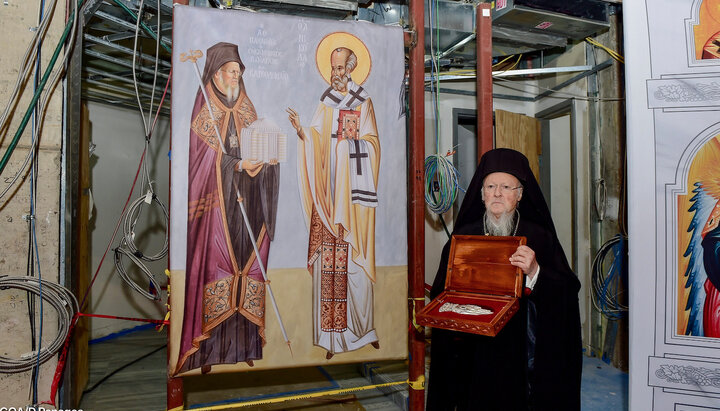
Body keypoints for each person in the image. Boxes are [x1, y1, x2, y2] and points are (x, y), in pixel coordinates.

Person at [427, 148, 582, 410]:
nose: (497, 193)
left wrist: (535, 273)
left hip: (520, 352)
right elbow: (441, 289)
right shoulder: (463, 236)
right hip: (474, 351)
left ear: (519, 195)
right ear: (481, 193)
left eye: (506, 187)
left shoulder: (539, 236)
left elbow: (567, 289)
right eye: (490, 186)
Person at [176, 42, 279, 374]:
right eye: (232, 72)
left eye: (239, 72)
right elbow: (201, 163)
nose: (236, 77)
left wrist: (267, 164)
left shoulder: (246, 108)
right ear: (217, 74)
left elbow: (258, 147)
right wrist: (234, 165)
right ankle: (208, 352)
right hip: (218, 209)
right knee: (219, 268)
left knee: (246, 270)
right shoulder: (204, 108)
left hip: (247, 205)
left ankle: (245, 347)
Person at [287, 40, 380, 358]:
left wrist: (350, 146)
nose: (335, 73)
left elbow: (373, 145)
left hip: (352, 201)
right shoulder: (326, 101)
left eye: (340, 68)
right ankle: (332, 339)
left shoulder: (362, 100)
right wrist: (303, 133)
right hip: (328, 197)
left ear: (352, 69)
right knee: (329, 266)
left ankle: (363, 331)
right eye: (332, 67)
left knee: (354, 264)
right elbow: (316, 138)